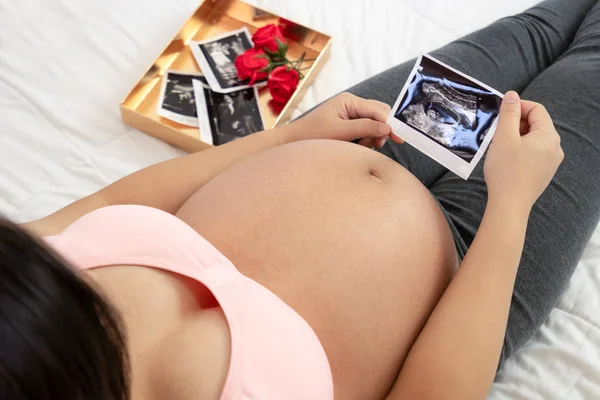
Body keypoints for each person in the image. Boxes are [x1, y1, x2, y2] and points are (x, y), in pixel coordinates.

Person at [0, 0, 598, 399]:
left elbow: (112, 198)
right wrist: (513, 205)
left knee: (535, 31)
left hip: (343, 136)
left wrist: (289, 137)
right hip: (472, 265)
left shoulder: (15, 288)